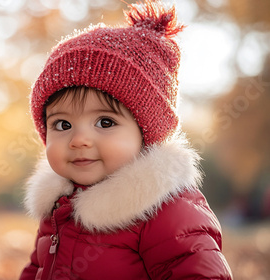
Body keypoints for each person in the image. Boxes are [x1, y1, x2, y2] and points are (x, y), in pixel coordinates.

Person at [20, 0, 233, 279]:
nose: (79, 139)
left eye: (105, 122)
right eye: (63, 124)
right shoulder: (60, 206)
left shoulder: (164, 211)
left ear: (146, 133)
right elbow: (37, 269)